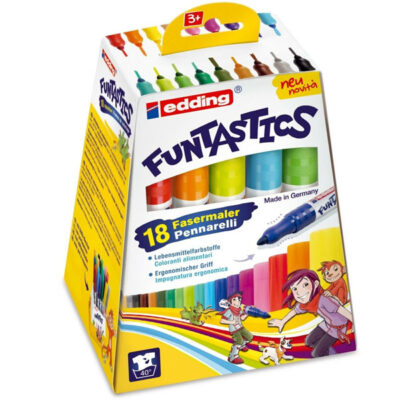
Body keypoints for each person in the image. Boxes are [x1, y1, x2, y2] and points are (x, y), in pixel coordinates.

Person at [268, 269, 353, 358]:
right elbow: (295, 311)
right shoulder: (307, 302)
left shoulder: (324, 300)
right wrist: (282, 322)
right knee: (308, 342)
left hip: (338, 328)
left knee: (316, 354)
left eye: (305, 285)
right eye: (295, 289)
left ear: (315, 284)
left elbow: (341, 310)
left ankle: (331, 354)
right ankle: (326, 349)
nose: (299, 292)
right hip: (327, 324)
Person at [219, 291, 253, 364]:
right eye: (235, 299)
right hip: (234, 330)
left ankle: (241, 346)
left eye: (239, 299)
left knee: (250, 336)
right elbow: (222, 321)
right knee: (238, 341)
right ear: (230, 302)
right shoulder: (229, 311)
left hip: (240, 327)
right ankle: (232, 357)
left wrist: (248, 313)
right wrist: (232, 322)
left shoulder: (239, 310)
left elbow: (242, 318)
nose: (237, 301)